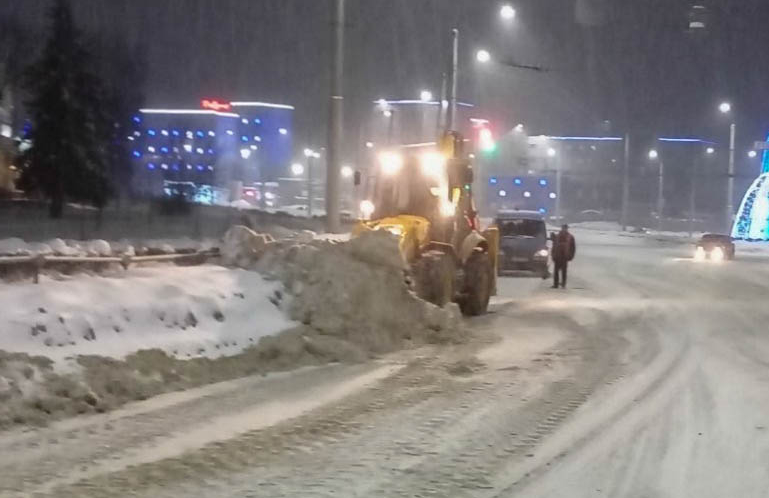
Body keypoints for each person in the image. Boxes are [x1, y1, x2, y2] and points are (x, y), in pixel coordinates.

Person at [551, 224, 576, 288]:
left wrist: (571, 256)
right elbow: (554, 246)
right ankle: (556, 284)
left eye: (565, 228)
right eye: (563, 228)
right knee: (556, 271)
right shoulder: (557, 236)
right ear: (561, 228)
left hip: (565, 256)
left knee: (564, 271)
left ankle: (563, 284)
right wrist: (553, 255)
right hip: (557, 256)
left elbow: (573, 248)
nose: (564, 229)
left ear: (567, 229)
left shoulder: (570, 237)